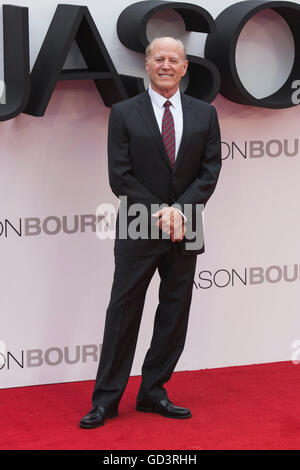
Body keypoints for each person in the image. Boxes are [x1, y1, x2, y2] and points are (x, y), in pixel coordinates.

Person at [80, 37, 222, 429]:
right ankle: (106, 400)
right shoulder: (124, 113)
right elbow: (119, 176)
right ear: (147, 64)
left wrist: (181, 211)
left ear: (184, 67)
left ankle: (154, 391)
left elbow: (210, 172)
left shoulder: (204, 114)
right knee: (123, 313)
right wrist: (162, 211)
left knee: (174, 313)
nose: (166, 64)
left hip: (188, 222)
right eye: (159, 58)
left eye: (173, 59)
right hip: (140, 222)